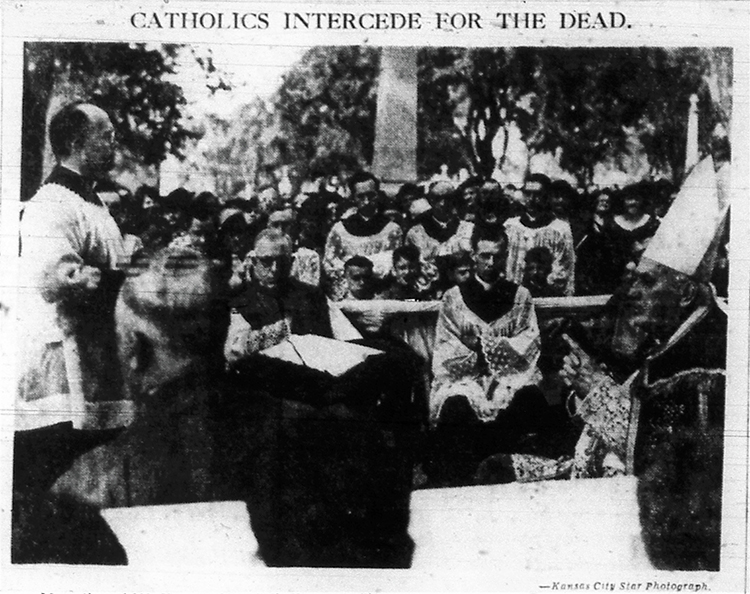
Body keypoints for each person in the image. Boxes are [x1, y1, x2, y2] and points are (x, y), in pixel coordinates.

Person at [559, 157, 728, 569]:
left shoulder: (709, 355)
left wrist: (595, 389)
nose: (634, 291)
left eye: (648, 282)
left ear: (686, 295)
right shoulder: (669, 337)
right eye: (635, 279)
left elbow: (663, 455)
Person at [17, 102, 127, 430]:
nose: (113, 145)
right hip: (67, 369)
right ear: (77, 144)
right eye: (106, 136)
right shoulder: (53, 203)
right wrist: (133, 282)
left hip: (99, 355)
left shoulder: (87, 200)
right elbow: (59, 284)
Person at [427, 225, 545, 483]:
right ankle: (462, 479)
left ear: (506, 255)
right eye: (484, 256)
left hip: (509, 375)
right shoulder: (454, 298)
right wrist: (475, 353)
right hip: (466, 377)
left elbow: (530, 337)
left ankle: (514, 474)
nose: (491, 263)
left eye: (497, 256)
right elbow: (445, 343)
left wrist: (496, 351)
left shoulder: (520, 296)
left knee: (529, 399)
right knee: (456, 406)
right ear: (473, 255)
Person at [225, 228, 360, 365]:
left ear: (292, 261)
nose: (275, 269)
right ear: (254, 262)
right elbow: (234, 354)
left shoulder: (312, 295)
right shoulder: (239, 302)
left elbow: (347, 336)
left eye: (282, 261)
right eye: (266, 261)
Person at [323, 171, 403, 300]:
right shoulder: (339, 229)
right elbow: (329, 263)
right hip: (348, 296)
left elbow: (396, 265)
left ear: (378, 195)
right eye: (361, 196)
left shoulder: (392, 230)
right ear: (353, 198)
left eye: (371, 195)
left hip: (381, 295)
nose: (366, 201)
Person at [504, 173, 576, 296]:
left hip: (546, 298)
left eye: (537, 194)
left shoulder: (560, 229)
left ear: (547, 196)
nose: (531, 199)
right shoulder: (510, 227)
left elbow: (565, 270)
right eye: (527, 193)